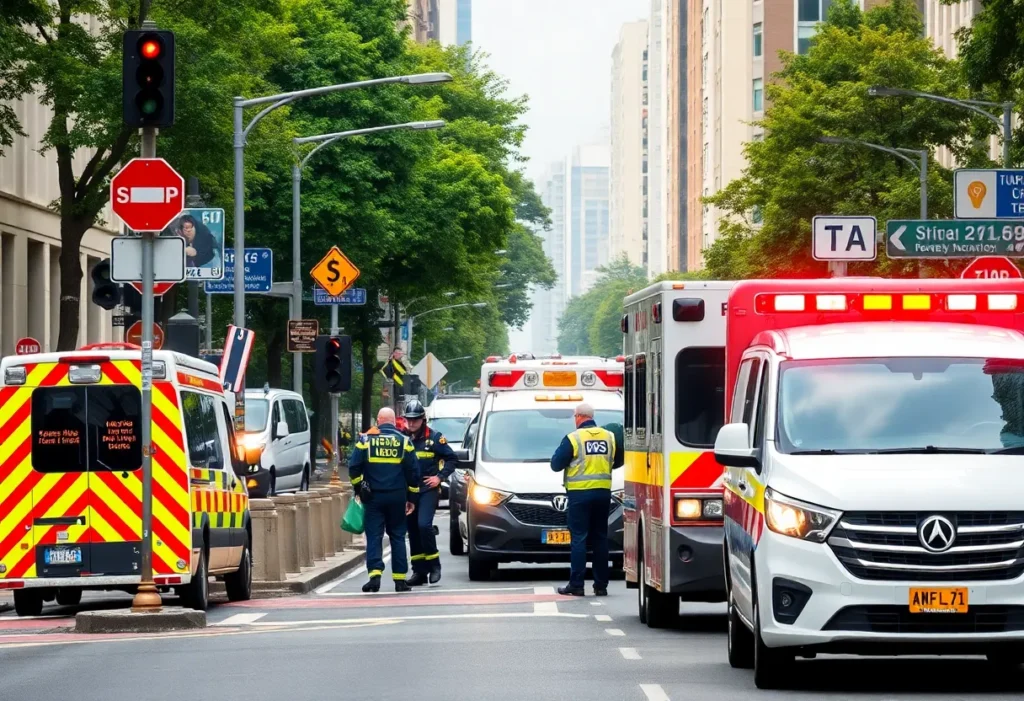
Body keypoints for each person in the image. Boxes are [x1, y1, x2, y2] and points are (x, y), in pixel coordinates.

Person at [348, 407, 420, 593]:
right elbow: (413, 473)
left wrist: (359, 488)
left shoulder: (365, 440)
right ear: (395, 422)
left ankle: (374, 577)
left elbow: (354, 467)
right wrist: (411, 497)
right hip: (397, 497)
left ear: (378, 420)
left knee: (374, 536)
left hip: (373, 497)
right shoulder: (405, 442)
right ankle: (400, 580)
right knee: (397, 536)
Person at [550, 402, 616, 597]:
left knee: (579, 538)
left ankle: (577, 584)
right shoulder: (609, 437)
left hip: (579, 495)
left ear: (578, 417)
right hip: (603, 493)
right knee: (600, 538)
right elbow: (617, 460)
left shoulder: (573, 438)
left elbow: (556, 464)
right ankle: (601, 585)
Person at [402, 399, 457, 586]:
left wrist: (439, 478)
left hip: (428, 490)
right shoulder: (402, 438)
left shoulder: (434, 438)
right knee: (413, 530)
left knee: (424, 525)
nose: (411, 424)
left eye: (415, 420)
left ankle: (434, 565)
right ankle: (419, 572)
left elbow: (452, 459)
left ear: (423, 419)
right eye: (408, 420)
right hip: (409, 491)